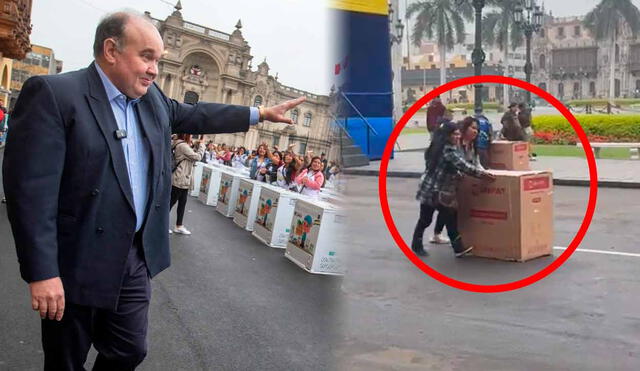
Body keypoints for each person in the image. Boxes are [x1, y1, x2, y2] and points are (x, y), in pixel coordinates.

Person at [1, 11, 305, 370]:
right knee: (65, 361)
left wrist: (259, 113)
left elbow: (197, 114)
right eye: (146, 57)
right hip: (76, 259)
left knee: (130, 351)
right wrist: (42, 272)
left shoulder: (152, 100)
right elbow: (30, 193)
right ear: (111, 50)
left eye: (158, 60)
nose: (154, 70)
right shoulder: (55, 94)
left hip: (133, 257)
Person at [411, 121, 495, 257]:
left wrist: (458, 174)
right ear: (447, 136)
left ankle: (458, 248)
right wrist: (483, 175)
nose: (457, 137)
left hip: (440, 190)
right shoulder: (447, 150)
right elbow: (463, 165)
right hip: (433, 190)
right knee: (427, 219)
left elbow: (452, 167)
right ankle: (417, 244)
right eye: (454, 134)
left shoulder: (446, 148)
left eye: (458, 134)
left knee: (449, 217)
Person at [169, 134, 204, 235]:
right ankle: (160, 224)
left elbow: (192, 154)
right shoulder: (182, 145)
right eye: (191, 135)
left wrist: (196, 146)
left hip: (183, 178)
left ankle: (179, 225)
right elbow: (197, 157)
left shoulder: (181, 144)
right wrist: (202, 146)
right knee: (171, 202)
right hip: (180, 178)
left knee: (182, 203)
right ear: (186, 135)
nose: (192, 136)